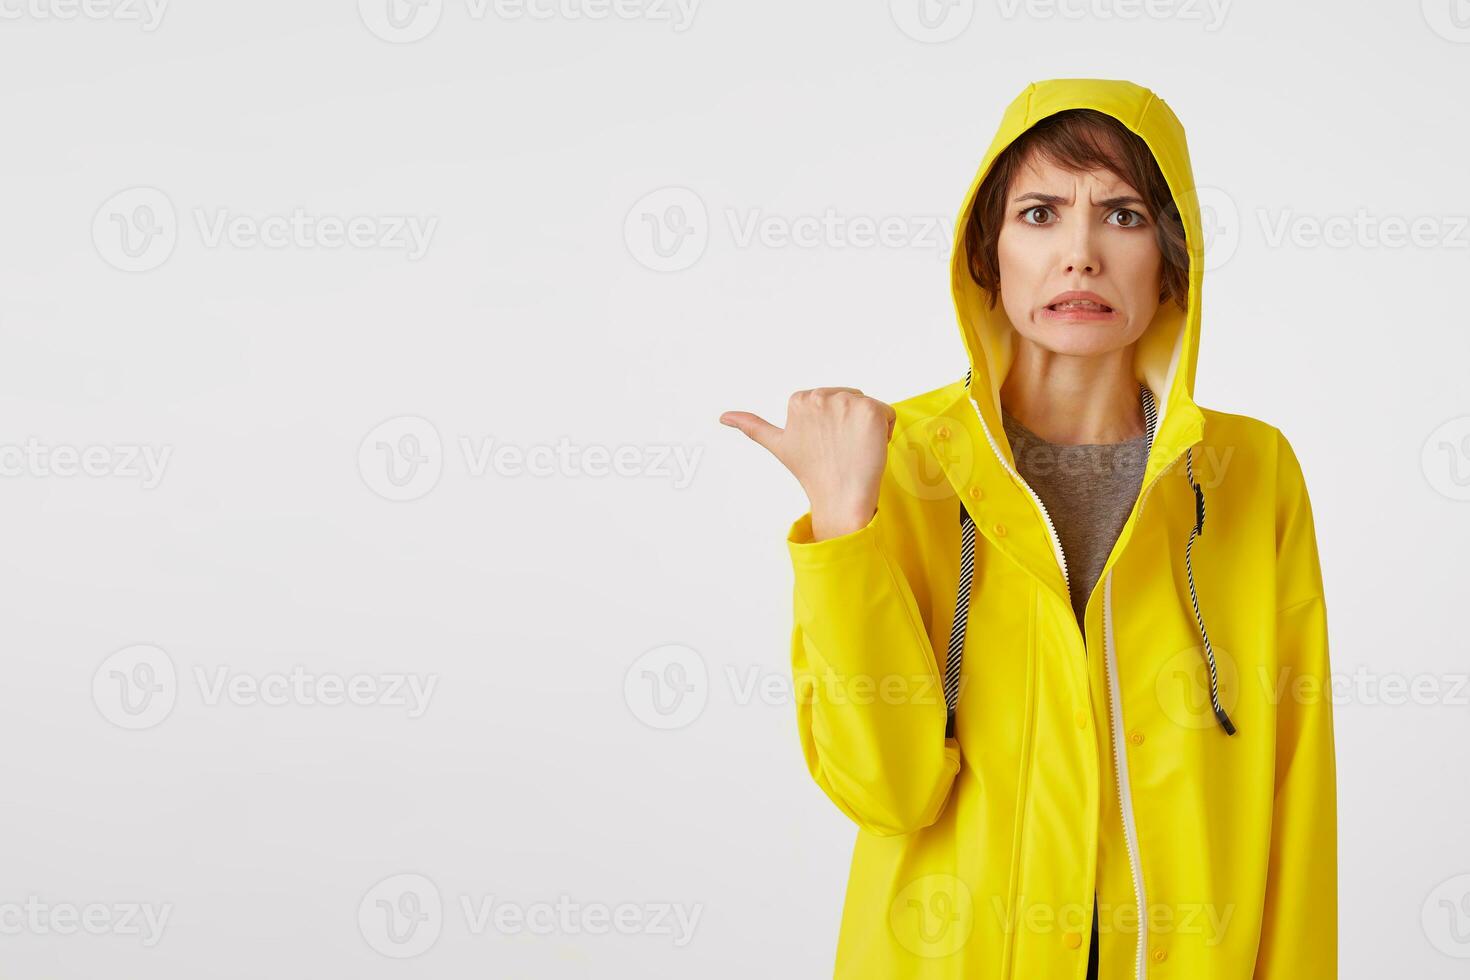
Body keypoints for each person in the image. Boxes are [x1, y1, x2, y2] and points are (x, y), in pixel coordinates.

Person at [720, 78, 1337, 979]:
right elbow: (886, 791)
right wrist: (844, 524)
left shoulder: (1250, 474)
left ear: (1172, 258)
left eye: (1122, 216)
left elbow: (1298, 789)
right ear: (988, 254)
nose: (1079, 255)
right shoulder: (898, 460)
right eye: (1041, 212)